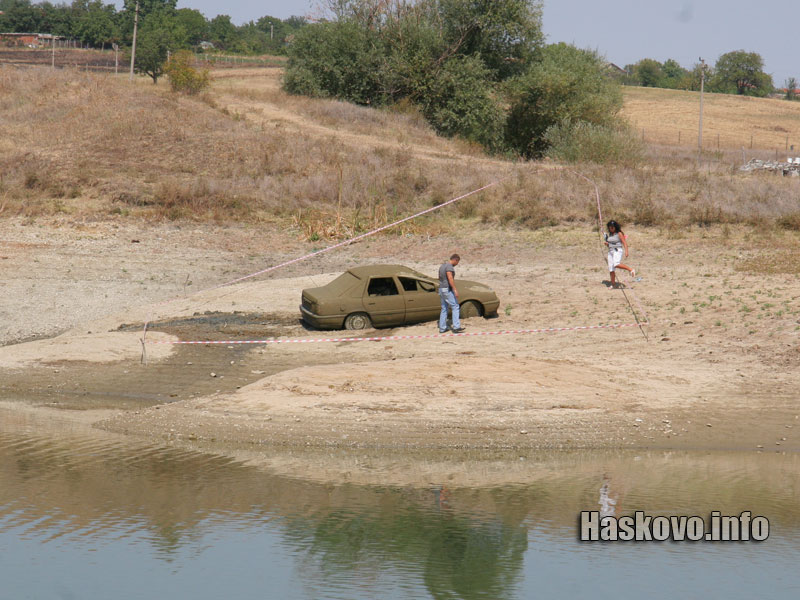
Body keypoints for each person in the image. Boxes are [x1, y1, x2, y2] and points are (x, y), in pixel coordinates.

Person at [604, 220, 636, 288]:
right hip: (610, 251)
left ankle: (631, 269)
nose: (611, 228)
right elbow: (610, 243)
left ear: (615, 227)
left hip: (617, 250)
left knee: (616, 264)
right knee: (611, 269)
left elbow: (624, 242)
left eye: (612, 227)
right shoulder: (610, 234)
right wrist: (607, 244)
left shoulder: (619, 233)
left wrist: (626, 251)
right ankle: (613, 284)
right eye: (610, 227)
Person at [438, 254, 464, 333]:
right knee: (455, 306)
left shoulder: (442, 266)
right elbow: (450, 278)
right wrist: (455, 289)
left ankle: (442, 328)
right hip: (447, 289)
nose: (457, 264)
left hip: (441, 288)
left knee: (444, 308)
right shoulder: (449, 267)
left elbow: (440, 277)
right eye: (457, 262)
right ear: (455, 260)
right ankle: (456, 326)